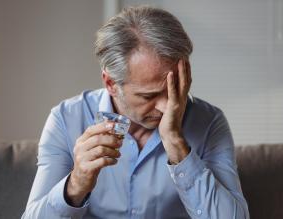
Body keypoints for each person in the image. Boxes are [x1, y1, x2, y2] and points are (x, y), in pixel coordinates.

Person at [22, 6, 249, 219]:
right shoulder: (66, 119)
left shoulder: (209, 122)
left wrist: (175, 143)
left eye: (173, 90)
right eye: (149, 96)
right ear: (111, 83)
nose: (165, 107)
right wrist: (75, 184)